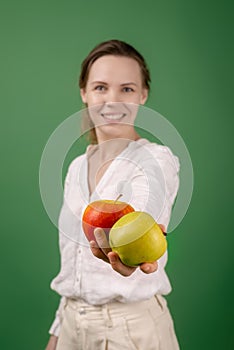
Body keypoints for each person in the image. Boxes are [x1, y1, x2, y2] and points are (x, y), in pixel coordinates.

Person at [45, 39, 180, 350]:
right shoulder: (77, 167)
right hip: (71, 326)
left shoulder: (156, 160)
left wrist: (133, 254)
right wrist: (57, 333)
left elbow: (146, 209)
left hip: (130, 332)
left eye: (127, 89)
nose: (113, 100)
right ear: (84, 92)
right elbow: (74, 264)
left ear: (143, 94)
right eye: (101, 87)